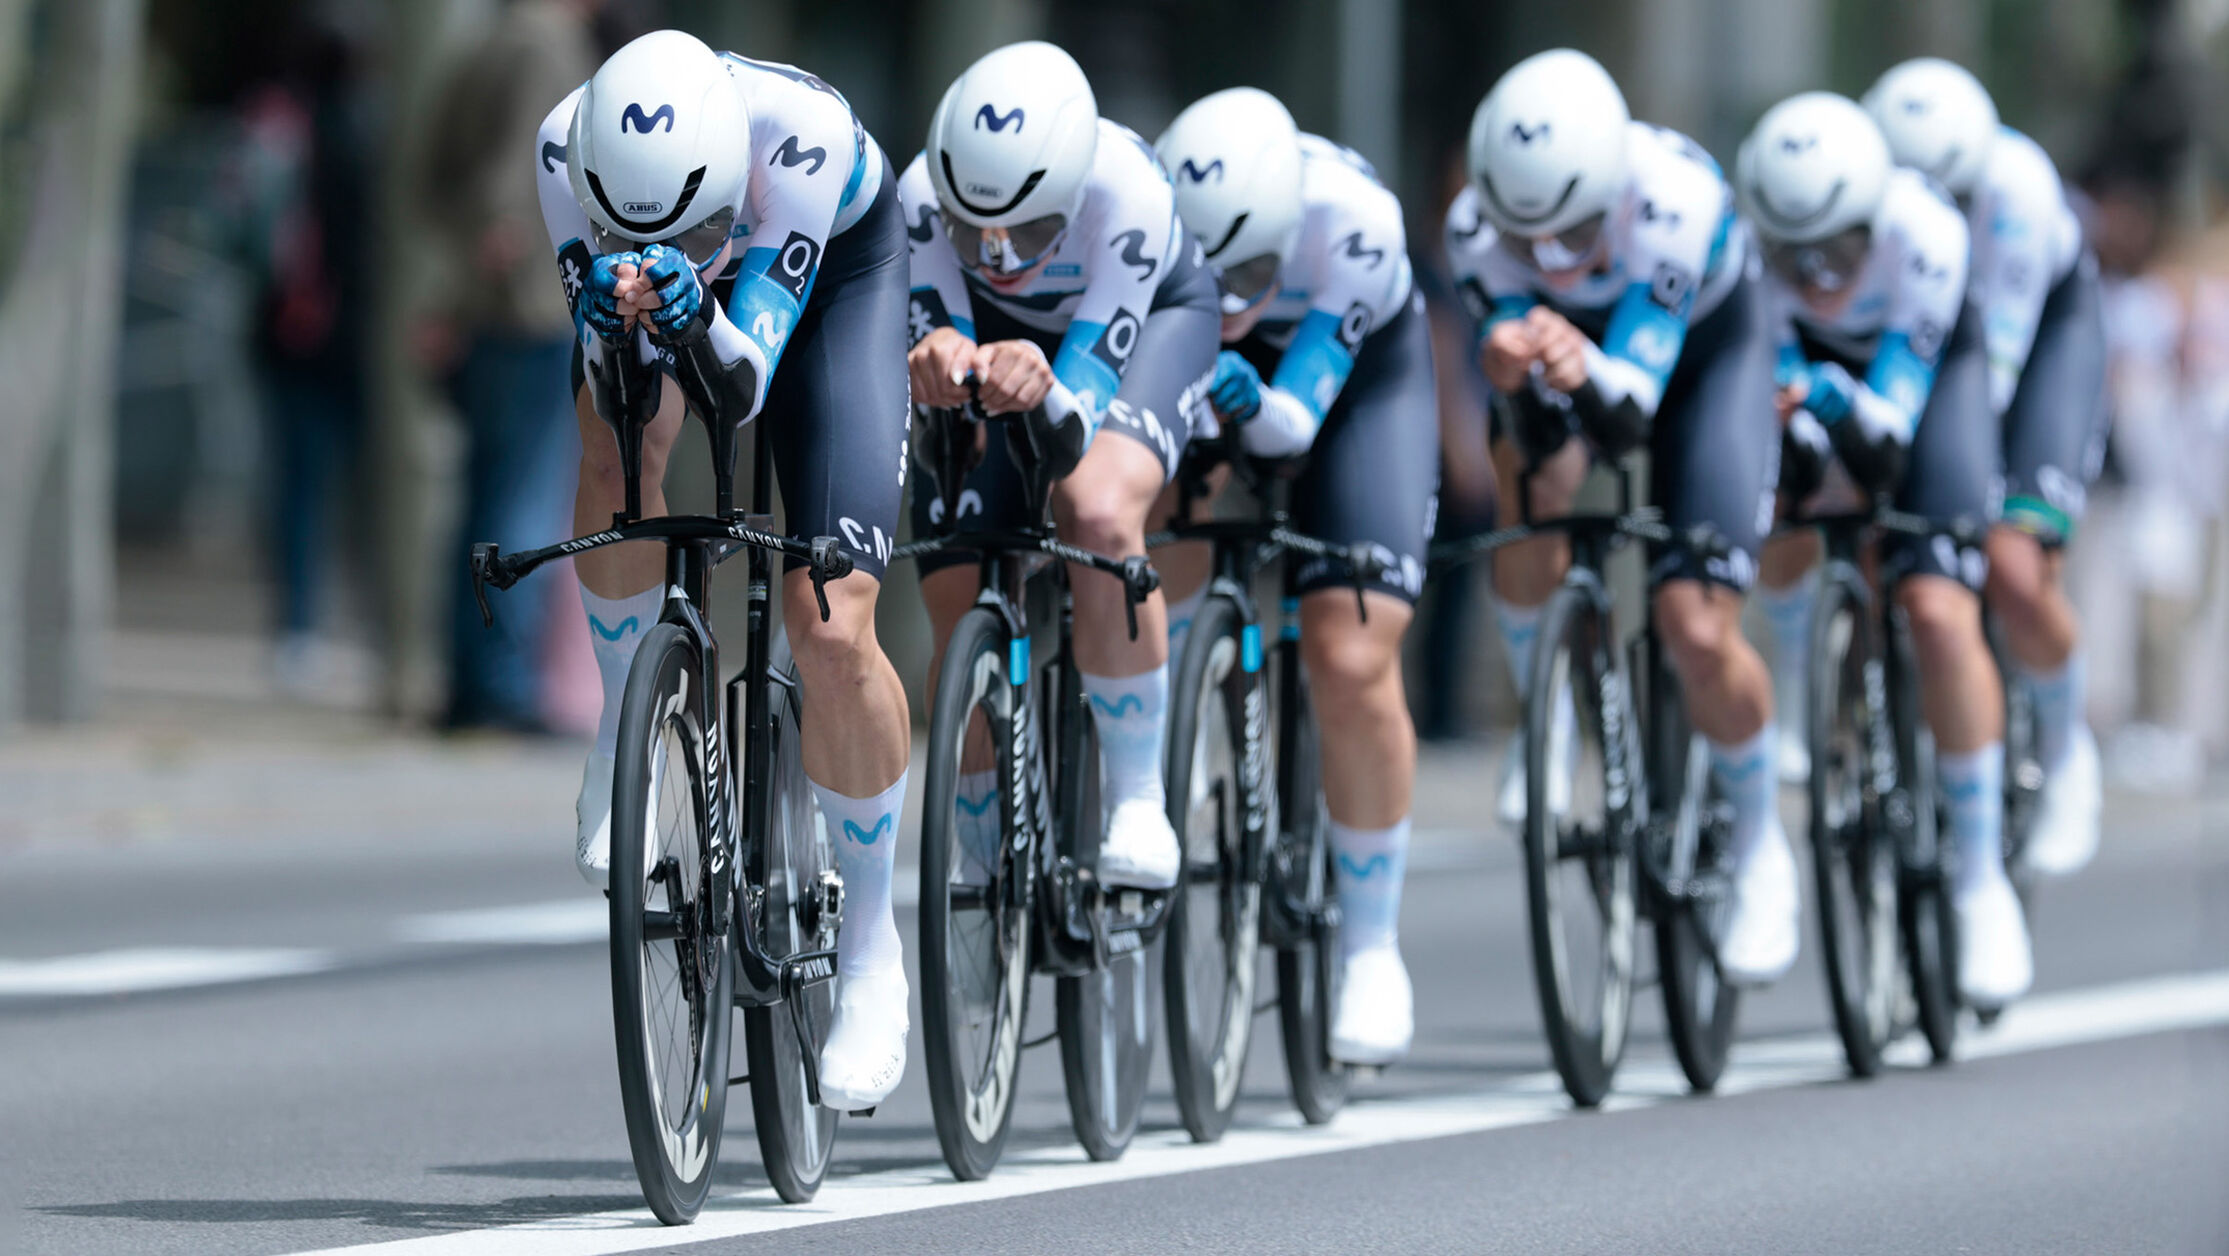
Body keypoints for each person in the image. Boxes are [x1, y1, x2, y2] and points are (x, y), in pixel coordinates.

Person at [535, 30, 913, 1109]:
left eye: (699, 230)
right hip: (679, 295)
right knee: (613, 442)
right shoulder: (562, 146)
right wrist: (610, 313)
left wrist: (698, 302)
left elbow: (740, 389)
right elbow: (618, 382)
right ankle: (628, 723)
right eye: (629, 229)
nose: (676, 247)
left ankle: (872, 948)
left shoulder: (802, 141)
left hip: (831, 282)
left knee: (829, 623)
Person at [1445, 50, 1794, 984]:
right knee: (1526, 479)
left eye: (1571, 233)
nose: (1548, 259)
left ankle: (1760, 841)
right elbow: (1548, 434)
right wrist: (1511, 373)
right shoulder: (1472, 228)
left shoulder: (1676, 201)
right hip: (1574, 357)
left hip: (1703, 360)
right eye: (1525, 240)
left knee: (1695, 623)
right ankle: (1548, 712)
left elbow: (1629, 411)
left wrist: (1574, 359)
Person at [1154, 88, 1440, 1062]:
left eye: (1251, 272)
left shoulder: (1354, 226)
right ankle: (1174, 723)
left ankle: (1371, 946)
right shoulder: (1148, 208)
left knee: (1349, 655)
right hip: (1197, 350)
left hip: (1355, 386)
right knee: (1146, 511)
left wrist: (1245, 402)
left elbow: (1291, 428)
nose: (1235, 296)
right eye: (1214, 273)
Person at [900, 41, 1220, 891]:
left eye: (1032, 230)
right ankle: (978, 847)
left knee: (1098, 512)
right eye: (973, 231)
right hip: (998, 340)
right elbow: (940, 356)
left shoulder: (1130, 193)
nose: (999, 257)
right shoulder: (919, 195)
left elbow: (1075, 414)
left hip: (1141, 330)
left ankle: (1137, 798)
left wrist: (1039, 387)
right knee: (955, 583)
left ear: (1074, 195)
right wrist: (937, 363)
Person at [1738, 91, 2031, 1008]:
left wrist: (1827, 403)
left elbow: (1888, 439)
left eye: (1839, 250)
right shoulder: (1745, 255)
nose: (1817, 274)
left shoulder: (1927, 236)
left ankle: (1980, 881)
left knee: (1936, 607)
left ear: (1876, 215)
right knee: (1776, 513)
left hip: (1926, 385)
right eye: (1794, 256)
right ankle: (1806, 677)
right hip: (1817, 380)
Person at [1859, 58, 2109, 876]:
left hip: (2033, 345)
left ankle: (2065, 747)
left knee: (2010, 562)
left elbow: (1992, 375)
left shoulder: (2018, 189)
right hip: (1926, 336)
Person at [421, 0, 603, 733]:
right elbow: (519, 176)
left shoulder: (488, 40)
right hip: (532, 304)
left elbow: (432, 172)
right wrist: (500, 248)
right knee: (525, 495)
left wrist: (452, 290)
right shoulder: (546, 46)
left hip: (487, 306)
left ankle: (471, 679)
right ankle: (502, 685)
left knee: (485, 494)